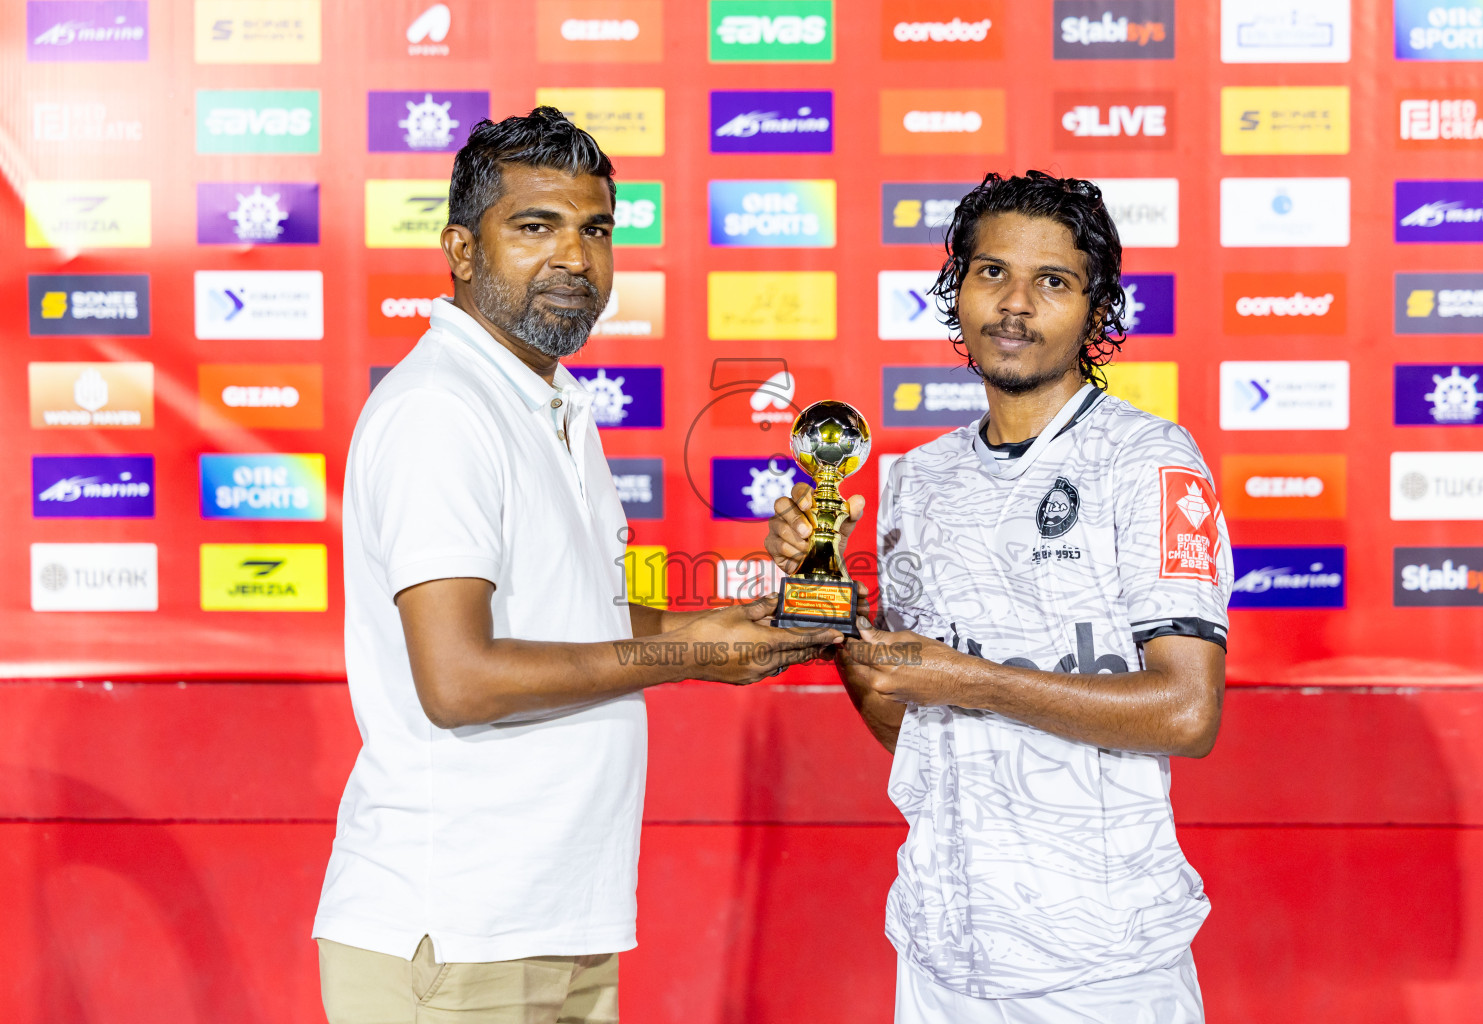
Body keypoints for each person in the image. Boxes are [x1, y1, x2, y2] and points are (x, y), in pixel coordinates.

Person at [313, 108, 844, 1024]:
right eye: (534, 227)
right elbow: (460, 679)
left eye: (596, 230)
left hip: (558, 925)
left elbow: (580, 619)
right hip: (457, 939)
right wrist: (690, 660)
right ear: (461, 249)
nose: (575, 258)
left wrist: (722, 622)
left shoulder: (551, 404)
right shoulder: (443, 408)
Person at [768, 171, 1233, 1022]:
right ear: (957, 293)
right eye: (990, 274)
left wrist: (969, 679)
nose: (1014, 303)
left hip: (1101, 965)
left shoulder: (1149, 462)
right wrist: (829, 603)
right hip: (940, 953)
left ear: (1097, 312)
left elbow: (1185, 712)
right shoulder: (917, 480)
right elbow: (910, 725)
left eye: (1051, 281)